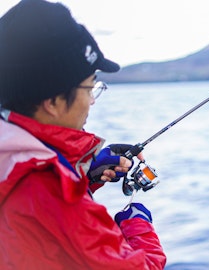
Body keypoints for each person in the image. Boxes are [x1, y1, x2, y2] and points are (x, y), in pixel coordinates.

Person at [0, 0, 166, 269]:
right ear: (52, 102)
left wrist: (82, 173)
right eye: (90, 88)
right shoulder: (53, 195)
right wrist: (138, 227)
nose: (92, 101)